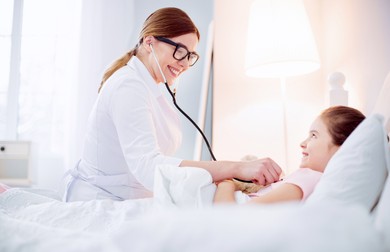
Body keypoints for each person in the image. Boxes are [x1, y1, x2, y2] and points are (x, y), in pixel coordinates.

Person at [61, 7, 282, 202]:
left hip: (131, 200)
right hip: (102, 202)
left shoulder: (147, 87)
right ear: (150, 42)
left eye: (191, 56)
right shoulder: (128, 86)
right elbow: (149, 168)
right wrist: (236, 167)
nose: (185, 64)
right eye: (180, 51)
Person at [213, 106, 366, 204]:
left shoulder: (310, 178)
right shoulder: (306, 179)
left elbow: (229, 218)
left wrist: (226, 183)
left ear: (342, 148)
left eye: (314, 135)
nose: (303, 143)